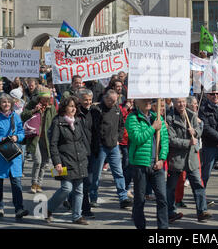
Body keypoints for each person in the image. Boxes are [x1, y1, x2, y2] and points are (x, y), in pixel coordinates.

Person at [125, 98, 169, 229]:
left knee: (162, 198)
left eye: (150, 100)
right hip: (140, 164)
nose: (148, 102)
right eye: (144, 100)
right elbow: (137, 138)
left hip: (157, 166)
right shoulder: (132, 118)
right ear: (136, 102)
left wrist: (161, 159)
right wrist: (153, 128)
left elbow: (165, 141)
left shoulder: (158, 118)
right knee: (140, 200)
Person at [45, 96, 90, 225]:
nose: (74, 108)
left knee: (79, 190)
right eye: (71, 106)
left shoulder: (77, 121)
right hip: (64, 161)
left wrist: (85, 155)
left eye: (75, 106)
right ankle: (47, 209)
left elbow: (81, 141)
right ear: (64, 107)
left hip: (79, 160)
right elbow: (53, 144)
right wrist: (57, 162)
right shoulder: (57, 122)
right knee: (66, 188)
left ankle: (77, 216)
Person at [166, 97, 211, 223]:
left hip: (191, 158)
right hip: (177, 158)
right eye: (179, 102)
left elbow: (199, 131)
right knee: (171, 187)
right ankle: (170, 212)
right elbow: (171, 139)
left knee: (198, 185)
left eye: (183, 101)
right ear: (174, 103)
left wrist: (195, 132)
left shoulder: (191, 115)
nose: (182, 104)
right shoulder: (169, 118)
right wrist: (188, 142)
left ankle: (202, 211)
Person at [0, 94, 29, 219]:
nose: (6, 104)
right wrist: (1, 139)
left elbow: (21, 133)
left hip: (14, 155)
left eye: (8, 102)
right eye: (3, 102)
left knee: (16, 183)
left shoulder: (16, 116)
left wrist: (17, 137)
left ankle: (19, 209)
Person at [89, 90, 133, 209]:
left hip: (114, 146)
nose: (113, 103)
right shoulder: (97, 110)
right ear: (105, 98)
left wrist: (118, 138)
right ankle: (93, 197)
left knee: (118, 173)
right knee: (96, 174)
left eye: (115, 101)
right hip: (101, 146)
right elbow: (93, 128)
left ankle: (123, 198)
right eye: (111, 101)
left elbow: (121, 125)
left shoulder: (117, 109)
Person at [21, 87, 57, 194]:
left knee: (44, 163)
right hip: (34, 137)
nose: (45, 101)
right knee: (38, 161)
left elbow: (55, 121)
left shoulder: (51, 107)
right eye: (43, 98)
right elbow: (23, 116)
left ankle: (39, 184)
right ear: (39, 98)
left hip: (46, 139)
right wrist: (33, 111)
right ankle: (34, 183)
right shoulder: (32, 104)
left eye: (47, 98)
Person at [75, 88, 97, 218]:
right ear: (79, 100)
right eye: (85, 100)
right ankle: (85, 209)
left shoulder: (94, 112)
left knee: (87, 181)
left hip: (91, 152)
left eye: (89, 100)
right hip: (78, 153)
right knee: (81, 182)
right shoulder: (75, 113)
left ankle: (74, 201)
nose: (88, 102)